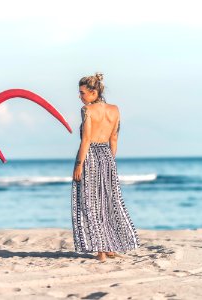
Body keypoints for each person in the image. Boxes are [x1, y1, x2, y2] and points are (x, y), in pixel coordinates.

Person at [71, 72, 140, 262]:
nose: (80, 97)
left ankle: (101, 251)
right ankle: (110, 247)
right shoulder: (115, 110)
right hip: (108, 156)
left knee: (91, 204)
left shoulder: (88, 111)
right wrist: (110, 160)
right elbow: (114, 139)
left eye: (82, 93)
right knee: (108, 202)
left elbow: (86, 140)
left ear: (93, 92)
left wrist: (79, 164)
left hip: (91, 155)